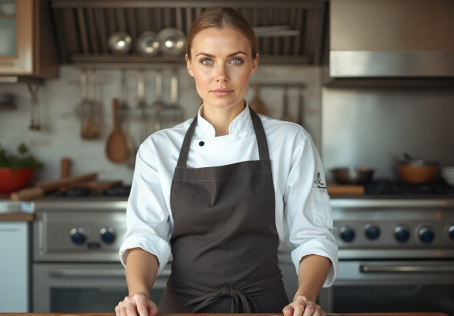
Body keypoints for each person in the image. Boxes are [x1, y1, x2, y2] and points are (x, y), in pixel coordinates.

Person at [115, 7, 337, 316]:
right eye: (207, 61)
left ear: (254, 63)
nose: (221, 75)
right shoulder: (159, 148)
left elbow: (313, 237)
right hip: (182, 307)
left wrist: (305, 297)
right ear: (190, 65)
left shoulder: (290, 141)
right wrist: (138, 293)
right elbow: (146, 237)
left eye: (236, 60)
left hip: (267, 307)